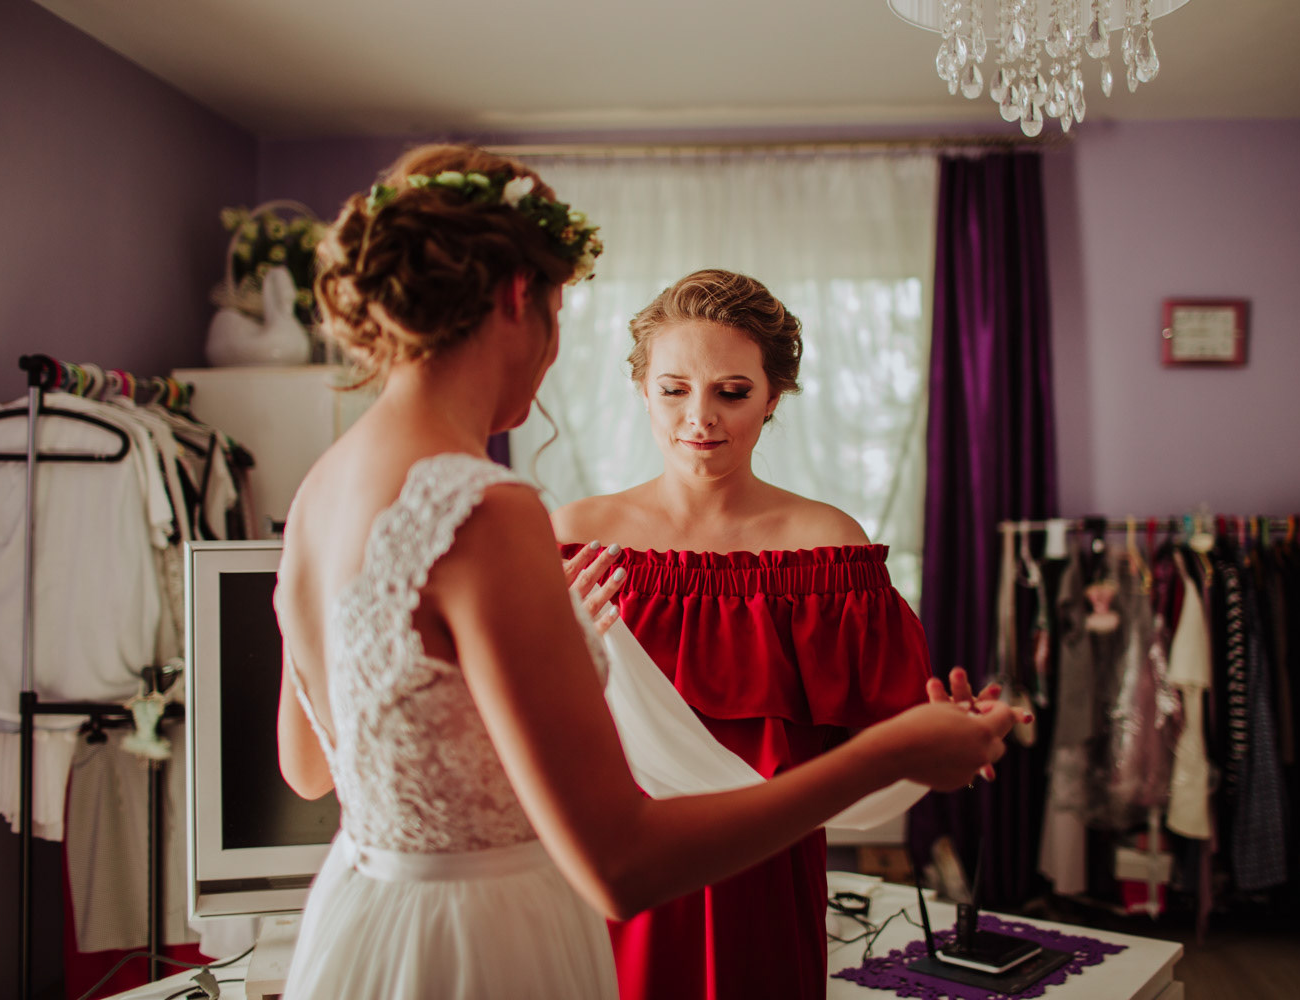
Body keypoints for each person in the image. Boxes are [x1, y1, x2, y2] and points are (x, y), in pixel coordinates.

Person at [273, 145, 1019, 1000]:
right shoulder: (488, 510)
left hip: (363, 925)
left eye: (731, 392)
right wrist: (893, 754)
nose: (552, 349)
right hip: (486, 933)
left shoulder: (322, 486)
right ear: (519, 298)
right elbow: (620, 864)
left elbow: (311, 769)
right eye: (557, 310)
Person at [552, 269, 960, 1000]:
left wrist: (949, 730)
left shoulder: (827, 551)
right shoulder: (576, 539)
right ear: (642, 388)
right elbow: (522, 717)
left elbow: (890, 733)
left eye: (732, 392)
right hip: (607, 865)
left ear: (774, 397)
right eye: (674, 389)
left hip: (763, 881)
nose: (699, 417)